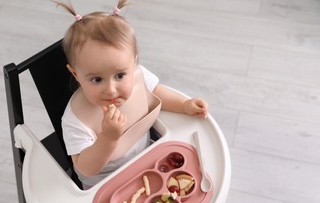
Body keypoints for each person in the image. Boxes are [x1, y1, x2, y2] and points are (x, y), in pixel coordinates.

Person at [56, 0, 208, 189]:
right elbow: (86, 168)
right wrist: (108, 138)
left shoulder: (139, 75)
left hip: (148, 164)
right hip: (106, 187)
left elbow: (156, 91)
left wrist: (184, 105)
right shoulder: (76, 120)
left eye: (120, 75)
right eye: (96, 79)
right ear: (75, 74)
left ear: (134, 63)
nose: (111, 89)